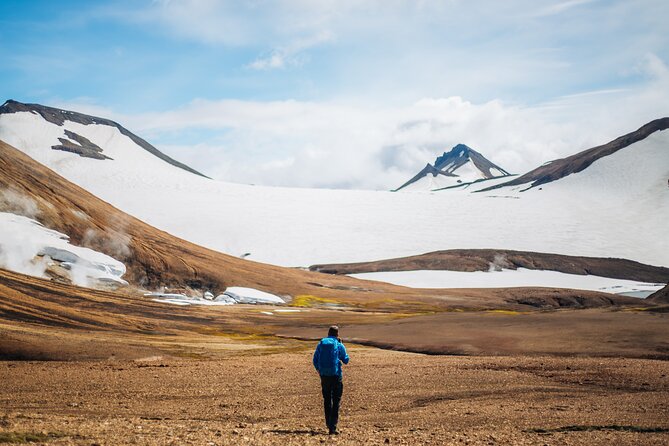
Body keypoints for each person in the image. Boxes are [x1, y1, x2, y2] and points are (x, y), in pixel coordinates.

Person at [313, 325, 350, 435]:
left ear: (328, 333)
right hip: (336, 375)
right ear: (337, 334)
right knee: (336, 401)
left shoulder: (321, 344)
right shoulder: (338, 344)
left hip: (324, 376)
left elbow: (315, 360)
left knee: (327, 400)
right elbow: (346, 360)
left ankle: (328, 424)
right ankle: (332, 427)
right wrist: (342, 345)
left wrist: (320, 372)